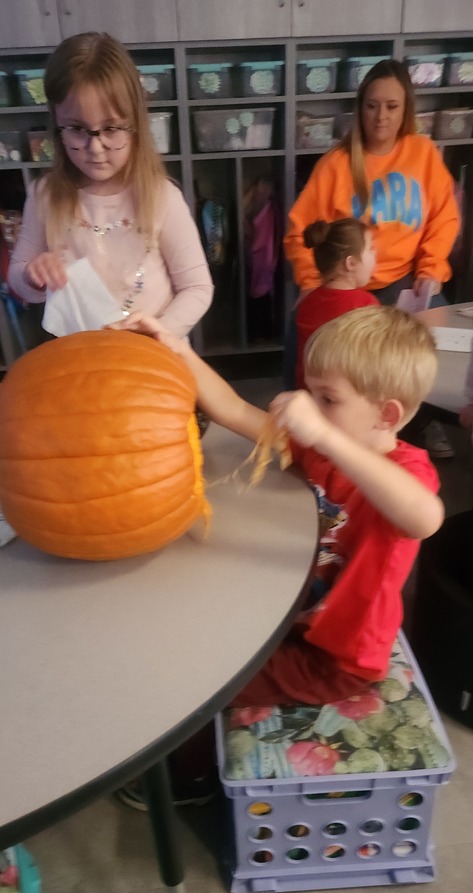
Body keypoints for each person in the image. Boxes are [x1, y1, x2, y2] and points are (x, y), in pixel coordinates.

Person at [108, 304, 443, 710]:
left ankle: (191, 768)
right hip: (292, 620)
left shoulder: (404, 472)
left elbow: (424, 517)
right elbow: (232, 409)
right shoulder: (319, 451)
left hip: (338, 660)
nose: (310, 406)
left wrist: (323, 435)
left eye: (328, 399)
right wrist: (176, 347)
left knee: (194, 690)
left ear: (386, 415)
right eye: (310, 391)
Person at [284, 58, 461, 459]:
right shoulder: (336, 164)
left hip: (407, 284)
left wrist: (431, 270)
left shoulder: (423, 153)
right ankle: (326, 428)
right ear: (360, 108)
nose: (381, 116)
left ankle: (421, 420)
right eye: (372, 105)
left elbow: (444, 217)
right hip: (347, 285)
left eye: (392, 106)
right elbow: (299, 233)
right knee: (331, 358)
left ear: (405, 110)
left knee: (434, 353)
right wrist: (313, 282)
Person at [7, 32, 213, 338]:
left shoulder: (162, 197)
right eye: (78, 129)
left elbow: (197, 287)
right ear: (57, 123)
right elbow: (17, 275)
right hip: (81, 357)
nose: (96, 148)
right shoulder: (44, 196)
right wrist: (31, 274)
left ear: (135, 125)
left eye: (111, 128)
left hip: (153, 357)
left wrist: (160, 336)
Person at [294, 217, 379, 388]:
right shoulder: (367, 305)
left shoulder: (307, 302)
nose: (375, 254)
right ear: (351, 263)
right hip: (343, 399)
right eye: (370, 249)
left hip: (308, 395)